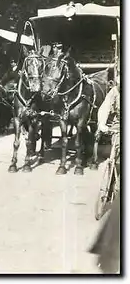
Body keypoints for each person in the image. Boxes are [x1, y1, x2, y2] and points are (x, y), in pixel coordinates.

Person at [88, 63, 120, 274]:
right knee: (116, 155)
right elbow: (104, 108)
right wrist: (101, 124)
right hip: (120, 130)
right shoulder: (116, 91)